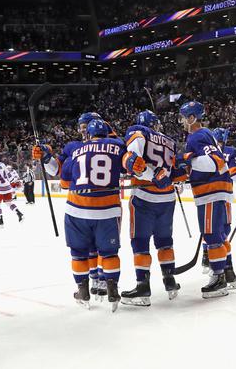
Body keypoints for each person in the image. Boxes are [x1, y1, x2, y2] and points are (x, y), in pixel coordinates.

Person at [48, 119, 126, 310]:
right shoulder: (117, 145)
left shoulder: (75, 149)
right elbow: (129, 166)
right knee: (109, 253)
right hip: (107, 209)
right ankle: (112, 290)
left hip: (78, 208)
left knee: (78, 253)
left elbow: (64, 181)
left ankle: (83, 291)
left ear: (88, 133)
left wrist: (45, 158)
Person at [34, 112, 108, 299]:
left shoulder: (109, 141)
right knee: (90, 246)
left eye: (86, 127)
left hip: (104, 203)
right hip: (82, 205)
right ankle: (93, 278)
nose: (83, 131)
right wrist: (45, 157)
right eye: (81, 127)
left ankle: (103, 278)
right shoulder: (73, 146)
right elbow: (55, 170)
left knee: (103, 246)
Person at [120, 110, 187, 306]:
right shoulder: (170, 141)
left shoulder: (139, 132)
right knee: (165, 240)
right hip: (167, 198)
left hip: (145, 197)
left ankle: (143, 287)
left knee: (140, 241)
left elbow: (134, 161)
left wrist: (152, 175)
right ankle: (170, 280)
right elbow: (177, 174)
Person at [176, 101, 233, 299]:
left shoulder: (198, 135)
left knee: (211, 235)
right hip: (216, 192)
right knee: (217, 235)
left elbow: (215, 164)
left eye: (183, 117)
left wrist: (186, 160)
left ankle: (218, 279)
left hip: (211, 192)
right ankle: (226, 272)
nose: (181, 121)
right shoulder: (204, 135)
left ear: (192, 118)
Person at [211, 127, 236, 288]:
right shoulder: (229, 151)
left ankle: (216, 265)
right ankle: (228, 272)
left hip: (208, 196)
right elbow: (235, 172)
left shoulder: (207, 151)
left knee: (212, 234)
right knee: (221, 234)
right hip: (224, 196)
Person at [0, 153, 24, 227]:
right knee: (9, 203)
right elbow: (9, 175)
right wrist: (13, 182)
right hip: (7, 187)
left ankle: (0, 220)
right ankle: (19, 213)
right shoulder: (2, 164)